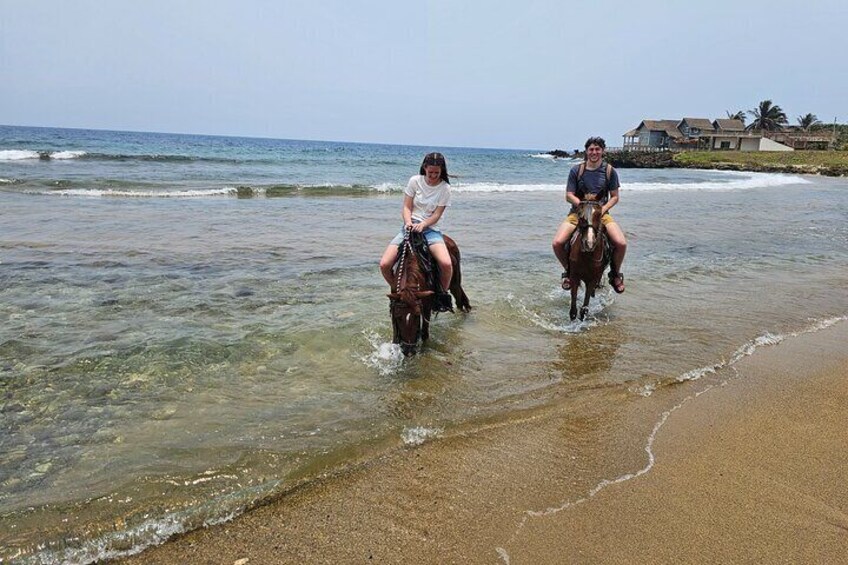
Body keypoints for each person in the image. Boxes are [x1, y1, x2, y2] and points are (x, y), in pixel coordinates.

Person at [380, 152, 454, 312]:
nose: (433, 176)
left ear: (441, 171)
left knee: (447, 264)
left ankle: (441, 296)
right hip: (409, 227)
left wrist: (424, 225)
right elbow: (406, 206)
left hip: (430, 230)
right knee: (384, 264)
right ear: (424, 168)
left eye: (437, 173)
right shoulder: (414, 181)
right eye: (430, 172)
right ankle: (400, 292)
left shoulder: (445, 188)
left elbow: (437, 214)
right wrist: (408, 222)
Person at [552, 136, 627, 293]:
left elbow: (615, 197)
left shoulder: (609, 171)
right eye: (591, 149)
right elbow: (569, 195)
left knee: (621, 243)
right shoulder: (576, 170)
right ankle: (568, 272)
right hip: (577, 213)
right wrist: (583, 206)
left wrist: (602, 210)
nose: (594, 152)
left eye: (597, 149)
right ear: (586, 151)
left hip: (602, 214)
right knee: (557, 243)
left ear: (602, 151)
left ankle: (615, 274)